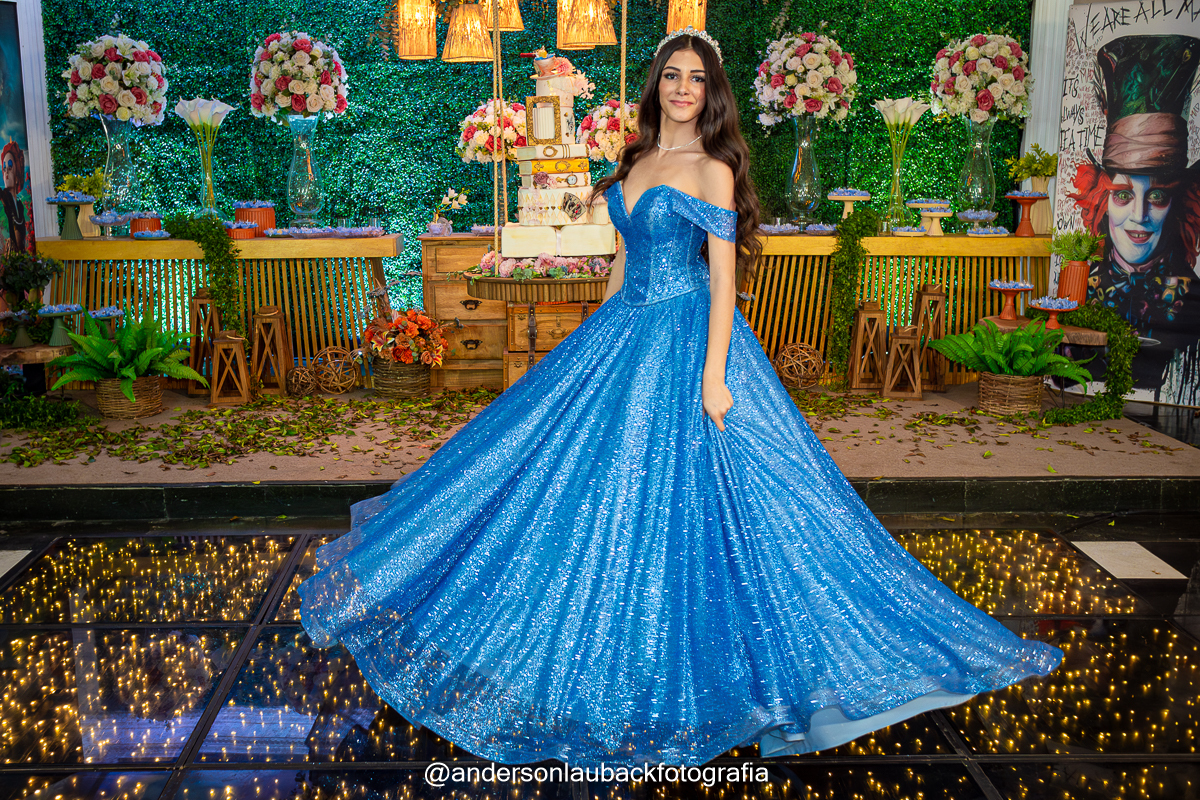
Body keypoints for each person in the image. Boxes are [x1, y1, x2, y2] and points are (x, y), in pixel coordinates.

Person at [298, 28, 1063, 767]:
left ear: (712, 91)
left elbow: (724, 280)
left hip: (691, 333)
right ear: (656, 85)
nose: (685, 88)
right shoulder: (635, 159)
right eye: (673, 75)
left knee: (708, 500)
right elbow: (621, 263)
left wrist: (714, 374)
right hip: (627, 328)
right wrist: (594, 345)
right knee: (568, 481)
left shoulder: (712, 169)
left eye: (698, 78)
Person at [1067, 34, 1200, 404]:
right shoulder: (1077, 287)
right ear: (1101, 199)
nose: (1139, 217)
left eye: (1156, 196)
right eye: (1123, 195)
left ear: (1176, 202)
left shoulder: (1194, 302)